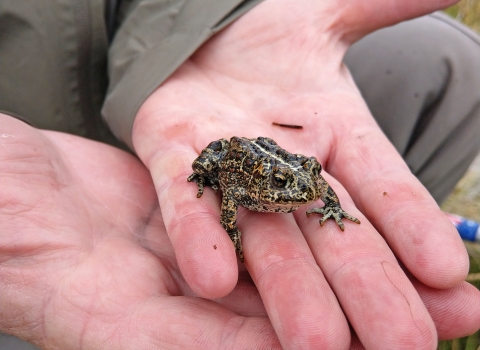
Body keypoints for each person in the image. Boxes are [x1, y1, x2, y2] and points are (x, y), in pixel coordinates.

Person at [1, 0, 480, 349]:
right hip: (226, 155)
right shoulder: (250, 186)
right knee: (209, 167)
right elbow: (229, 197)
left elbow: (315, 182)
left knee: (446, 56)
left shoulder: (302, 183)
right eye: (293, 188)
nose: (307, 190)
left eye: (310, 182)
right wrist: (229, 233)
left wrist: (210, 26)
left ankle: (387, 259)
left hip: (137, 37)